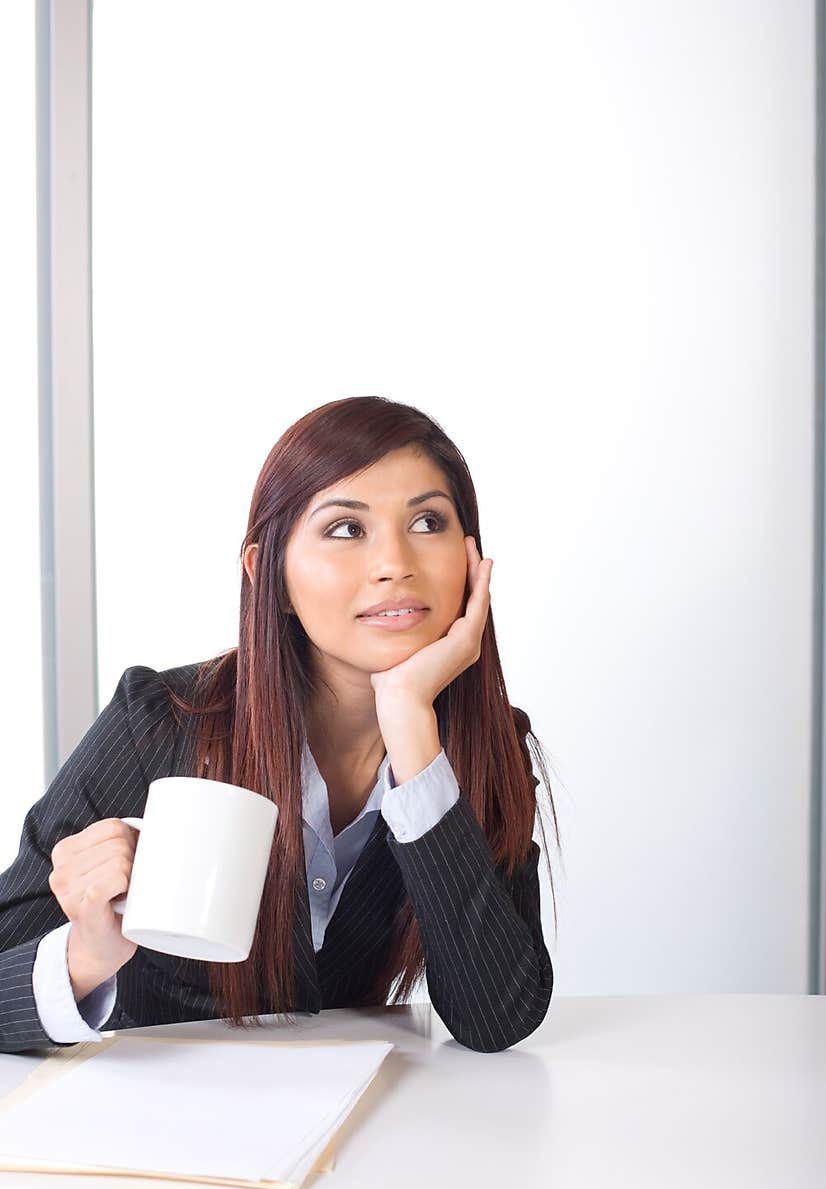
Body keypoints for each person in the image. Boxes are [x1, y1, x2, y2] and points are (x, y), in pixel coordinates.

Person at [0, 396, 560, 1055]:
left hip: (366, 1135)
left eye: (428, 522)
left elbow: (496, 1019)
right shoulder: (157, 722)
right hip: (164, 1135)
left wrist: (411, 724)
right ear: (267, 572)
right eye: (347, 529)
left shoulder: (481, 748)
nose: (394, 564)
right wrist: (86, 953)